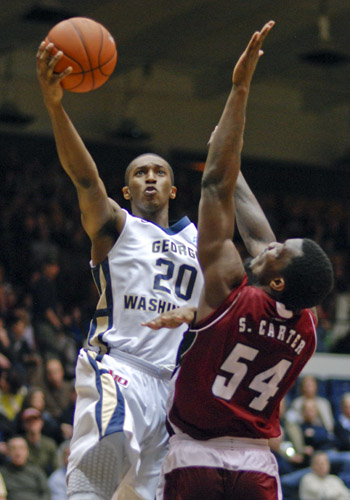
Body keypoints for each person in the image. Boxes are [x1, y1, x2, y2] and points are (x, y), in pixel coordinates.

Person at [145, 21, 334, 500]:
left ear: (275, 283)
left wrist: (239, 90)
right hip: (257, 466)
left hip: (196, 457)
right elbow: (256, 232)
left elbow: (213, 187)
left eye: (277, 251)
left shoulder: (228, 290)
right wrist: (230, 159)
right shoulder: (307, 328)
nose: (269, 244)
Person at [36, 36, 204, 500]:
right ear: (127, 191)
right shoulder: (117, 225)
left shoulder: (200, 242)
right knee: (97, 468)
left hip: (167, 385)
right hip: (117, 365)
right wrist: (55, 106)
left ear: (172, 189)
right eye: (139, 173)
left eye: (159, 172)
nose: (150, 176)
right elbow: (86, 177)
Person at [0, 436, 51, 500]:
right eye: (13, 448)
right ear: (8, 452)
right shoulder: (2, 473)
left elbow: (46, 493)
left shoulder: (36, 471)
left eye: (21, 448)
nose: (18, 453)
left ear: (27, 451)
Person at [21, 407, 59, 476]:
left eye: (35, 421)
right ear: (24, 424)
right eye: (29, 421)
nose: (32, 424)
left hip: (45, 478)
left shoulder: (49, 444)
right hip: (26, 478)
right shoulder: (20, 443)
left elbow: (56, 466)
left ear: (41, 423)